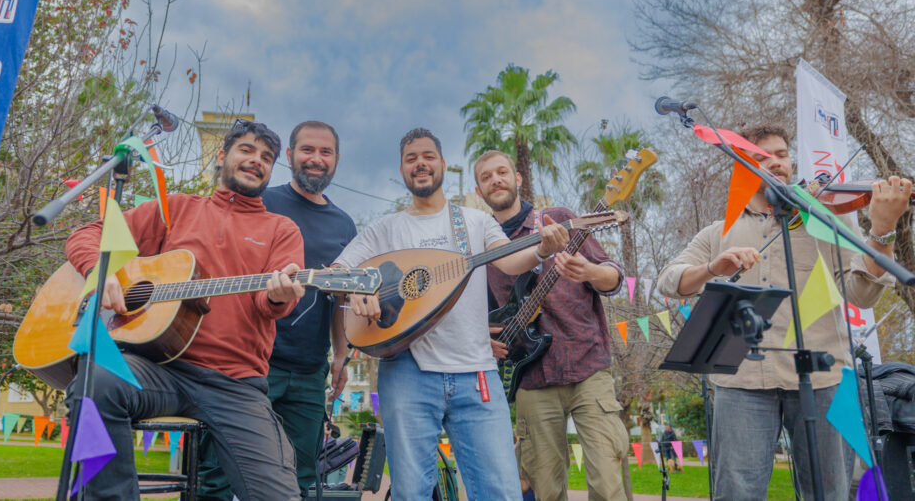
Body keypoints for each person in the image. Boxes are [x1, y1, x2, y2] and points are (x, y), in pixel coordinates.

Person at [656, 124, 913, 501]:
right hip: (740, 382)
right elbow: (669, 280)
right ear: (742, 166)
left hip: (822, 379)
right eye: (762, 157)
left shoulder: (826, 220)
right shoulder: (719, 231)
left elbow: (862, 294)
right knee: (736, 495)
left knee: (830, 493)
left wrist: (883, 230)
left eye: (781, 155)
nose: (775, 162)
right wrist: (712, 268)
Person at [64, 120, 306, 500]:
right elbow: (87, 234)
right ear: (221, 156)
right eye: (246, 150)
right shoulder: (174, 209)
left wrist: (279, 295)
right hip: (158, 368)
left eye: (266, 157)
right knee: (94, 383)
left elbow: (271, 303)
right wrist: (101, 271)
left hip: (235, 383)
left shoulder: (282, 229)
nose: (256, 160)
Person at [337, 128, 574, 500]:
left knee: (501, 492)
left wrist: (542, 250)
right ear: (402, 169)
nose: (421, 164)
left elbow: (511, 260)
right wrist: (357, 288)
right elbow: (339, 270)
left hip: (476, 373)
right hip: (406, 371)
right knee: (411, 493)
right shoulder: (385, 230)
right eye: (412, 158)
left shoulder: (475, 222)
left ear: (443, 164)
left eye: (428, 156)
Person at [199, 120, 357, 499]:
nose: (316, 159)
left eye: (325, 152)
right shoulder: (262, 202)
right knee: (216, 475)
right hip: (249, 364)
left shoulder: (344, 225)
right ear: (289, 155)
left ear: (336, 159)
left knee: (301, 479)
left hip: (308, 371)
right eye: (307, 150)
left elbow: (340, 298)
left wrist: (340, 356)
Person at [474, 150, 633, 501]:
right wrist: (484, 339)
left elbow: (613, 278)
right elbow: (479, 314)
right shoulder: (484, 245)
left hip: (587, 367)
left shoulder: (558, 219)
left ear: (517, 178)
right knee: (546, 490)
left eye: (502, 172)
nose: (495, 180)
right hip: (530, 378)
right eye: (486, 177)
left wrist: (590, 272)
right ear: (478, 190)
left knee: (608, 484)